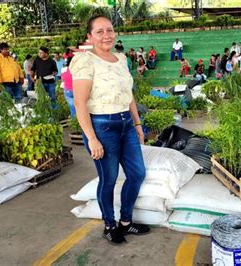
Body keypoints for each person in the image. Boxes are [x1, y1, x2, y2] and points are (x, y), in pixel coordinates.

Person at [70, 15, 148, 245]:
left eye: (110, 30)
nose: (106, 35)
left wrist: (137, 124)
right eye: (100, 31)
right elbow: (80, 103)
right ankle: (109, 225)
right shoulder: (85, 61)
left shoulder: (121, 58)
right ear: (90, 36)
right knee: (109, 178)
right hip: (102, 126)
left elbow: (129, 95)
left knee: (137, 174)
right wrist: (91, 138)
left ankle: (126, 222)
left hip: (126, 123)